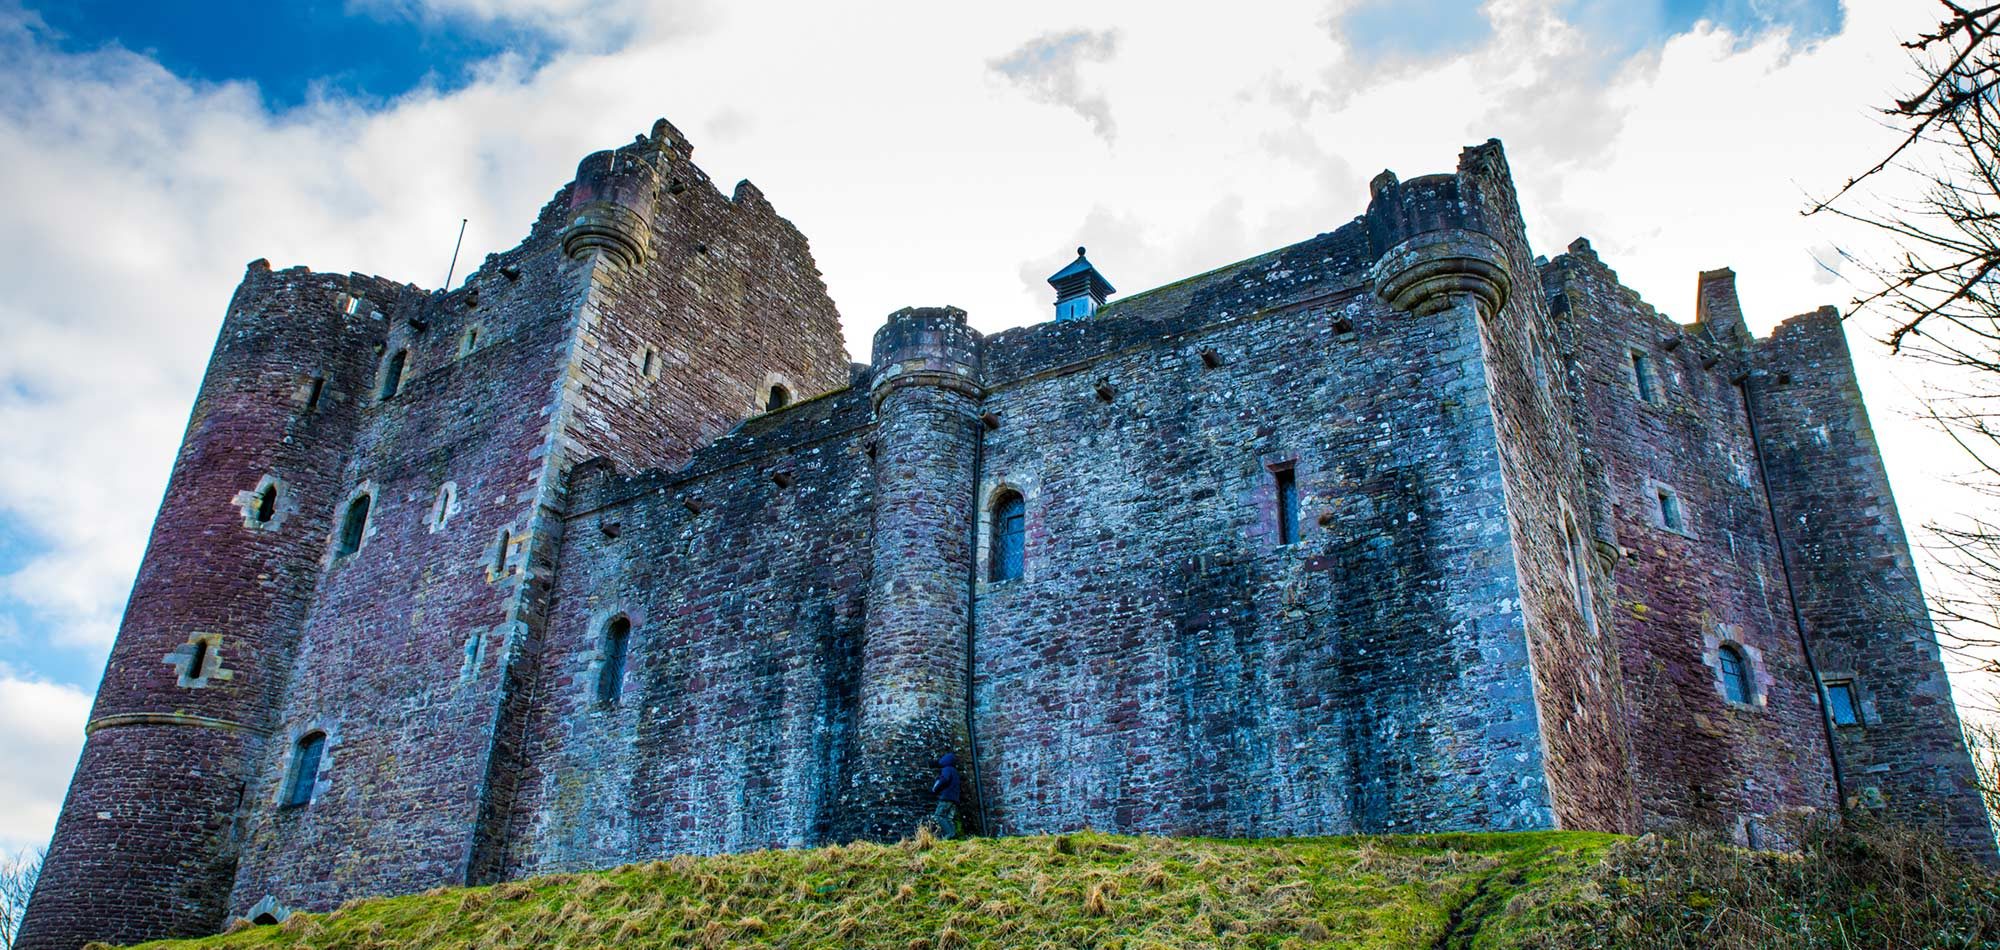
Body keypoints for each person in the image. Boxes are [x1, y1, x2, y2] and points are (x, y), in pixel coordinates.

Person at [929, 752, 961, 839]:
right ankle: (953, 837)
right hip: (955, 799)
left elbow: (944, 779)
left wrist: (935, 788)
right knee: (949, 818)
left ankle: (950, 834)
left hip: (947, 797)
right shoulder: (955, 771)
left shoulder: (947, 769)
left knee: (939, 816)